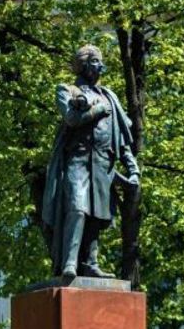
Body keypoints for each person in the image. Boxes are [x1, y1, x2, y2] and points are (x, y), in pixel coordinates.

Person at [41, 44, 141, 279]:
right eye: (96, 61)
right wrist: (97, 111)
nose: (100, 66)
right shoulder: (67, 90)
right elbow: (71, 119)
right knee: (77, 208)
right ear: (84, 64)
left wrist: (132, 168)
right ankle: (69, 263)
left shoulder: (109, 96)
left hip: (103, 163)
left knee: (98, 215)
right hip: (77, 159)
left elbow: (122, 138)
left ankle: (90, 263)